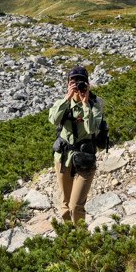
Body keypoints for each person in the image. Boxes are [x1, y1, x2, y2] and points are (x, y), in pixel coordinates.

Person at [48, 66, 104, 224]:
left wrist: (85, 105)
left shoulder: (95, 105)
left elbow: (92, 129)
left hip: (85, 160)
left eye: (81, 82)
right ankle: (68, 238)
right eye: (73, 81)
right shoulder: (62, 103)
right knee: (65, 204)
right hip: (63, 158)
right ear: (67, 84)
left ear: (87, 84)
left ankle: (82, 241)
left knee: (76, 206)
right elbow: (53, 120)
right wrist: (67, 98)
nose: (77, 85)